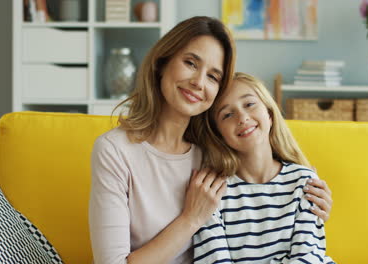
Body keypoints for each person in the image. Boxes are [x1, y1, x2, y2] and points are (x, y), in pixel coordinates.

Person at [89, 16, 332, 264]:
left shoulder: (215, 154)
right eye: (191, 63)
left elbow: (267, 183)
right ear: (162, 63)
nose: (198, 82)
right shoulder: (115, 150)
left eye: (213, 77)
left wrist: (314, 198)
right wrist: (191, 218)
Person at [193, 72, 335, 263]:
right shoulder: (212, 192)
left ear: (269, 114)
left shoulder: (304, 181)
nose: (242, 117)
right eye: (227, 114)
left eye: (249, 104)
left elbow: (307, 257)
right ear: (219, 135)